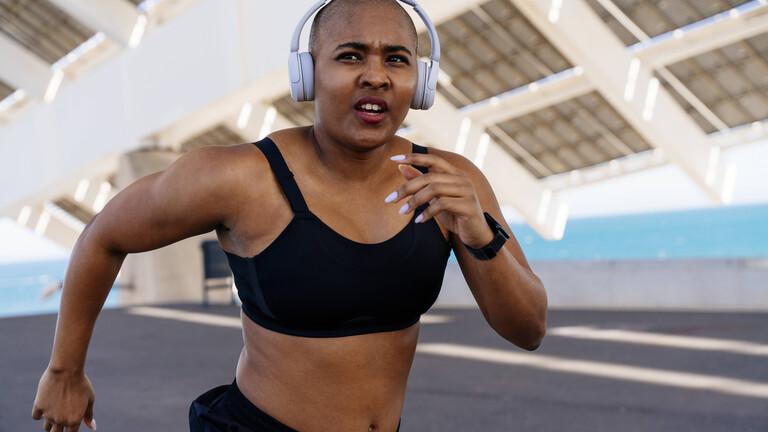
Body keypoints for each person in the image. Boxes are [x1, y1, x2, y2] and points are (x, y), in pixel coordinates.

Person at [31, 0, 547, 431]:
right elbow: (104, 236)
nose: (375, 76)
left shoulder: (452, 181)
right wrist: (65, 371)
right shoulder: (240, 177)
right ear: (308, 74)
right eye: (350, 56)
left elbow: (528, 329)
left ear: (420, 79)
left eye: (396, 59)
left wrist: (478, 232)